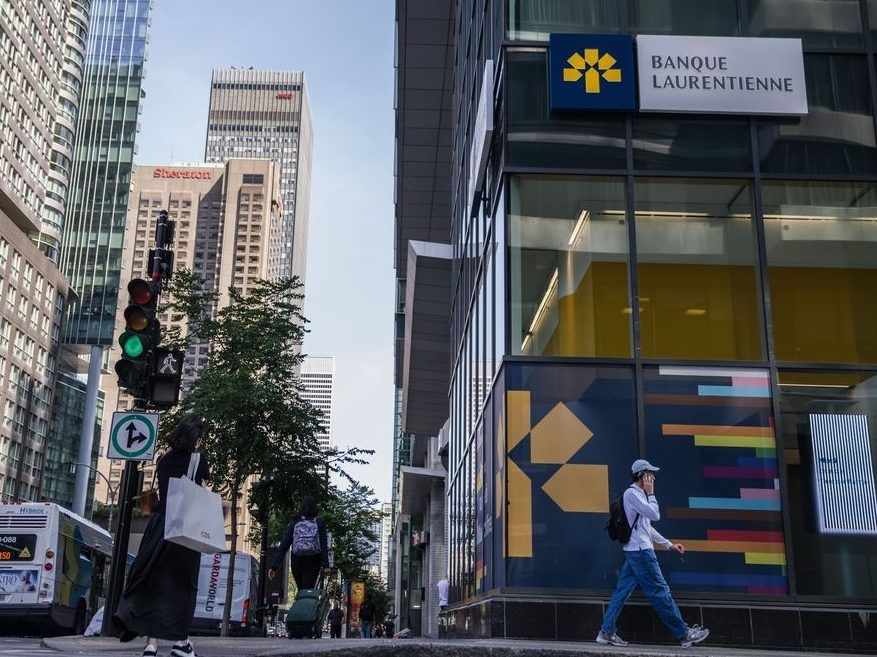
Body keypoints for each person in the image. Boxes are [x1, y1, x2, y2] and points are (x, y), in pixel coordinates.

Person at [113, 414, 211, 657]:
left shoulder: (163, 459)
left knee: (154, 584)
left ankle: (151, 645)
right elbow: (203, 485)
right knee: (182, 586)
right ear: (196, 439)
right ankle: (181, 642)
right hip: (184, 528)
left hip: (158, 527)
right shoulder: (198, 460)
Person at [597, 459, 710, 649]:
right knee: (660, 592)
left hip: (635, 552)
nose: (653, 477)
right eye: (650, 474)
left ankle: (606, 632)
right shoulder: (633, 494)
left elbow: (646, 527)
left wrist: (669, 545)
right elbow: (655, 515)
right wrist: (651, 494)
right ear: (642, 476)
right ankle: (684, 634)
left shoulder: (637, 495)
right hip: (641, 553)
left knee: (622, 592)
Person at [268, 497, 330, 590]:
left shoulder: (295, 521)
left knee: (301, 590)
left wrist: (274, 566)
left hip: (296, 561)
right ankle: (305, 603)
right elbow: (323, 544)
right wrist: (326, 565)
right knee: (307, 590)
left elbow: (284, 544)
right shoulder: (320, 522)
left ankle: (300, 602)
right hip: (313, 561)